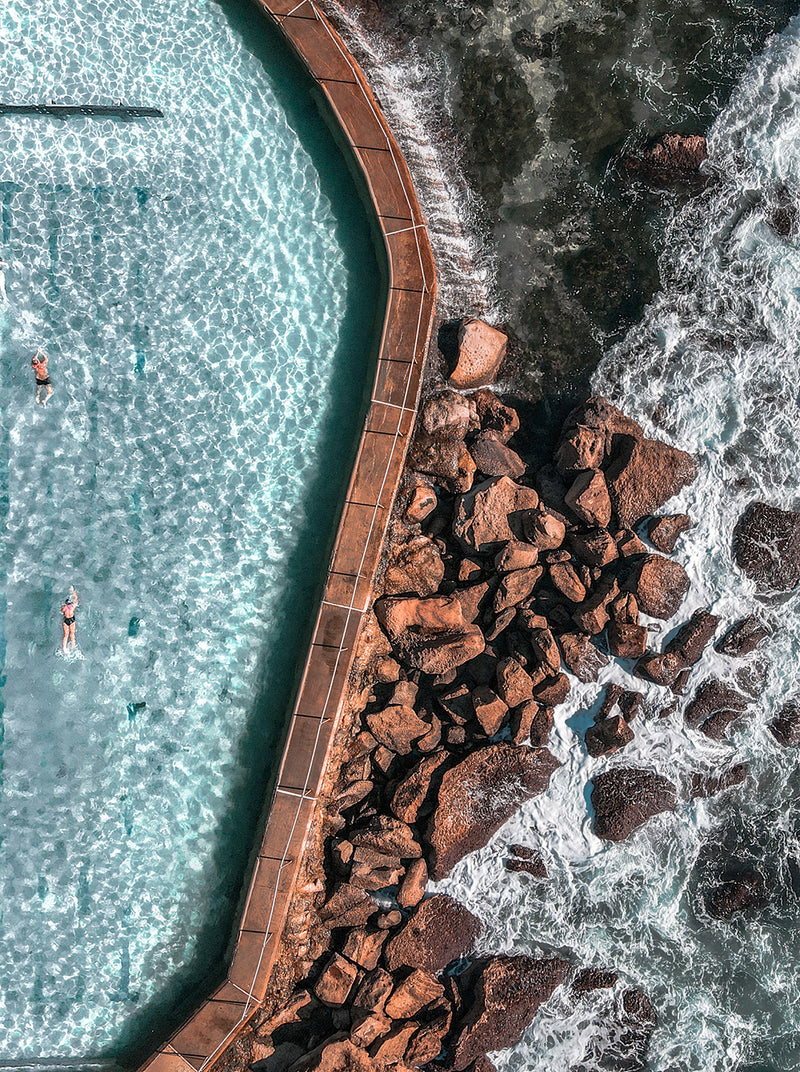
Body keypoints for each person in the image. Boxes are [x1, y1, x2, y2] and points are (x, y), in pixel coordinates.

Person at [61, 586, 78, 654]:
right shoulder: (72, 607)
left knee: (66, 635)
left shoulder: (64, 608)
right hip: (71, 620)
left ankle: (64, 648)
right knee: (72, 633)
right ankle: (72, 646)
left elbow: (62, 612)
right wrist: (73, 591)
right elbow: (76, 598)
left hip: (66, 620)